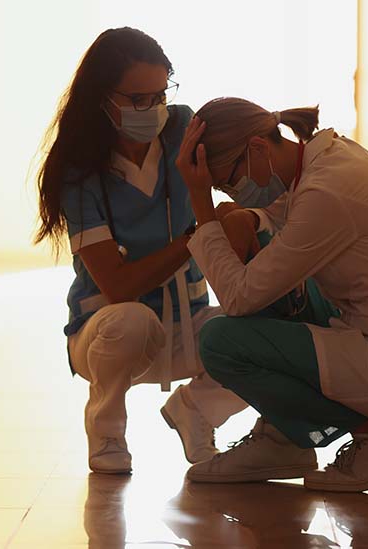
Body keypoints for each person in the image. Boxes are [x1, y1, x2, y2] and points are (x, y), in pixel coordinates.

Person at [174, 97, 368, 492]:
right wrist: (243, 217)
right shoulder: (329, 160)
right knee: (269, 267)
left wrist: (201, 204)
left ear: (258, 149)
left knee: (220, 340)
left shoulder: (327, 191)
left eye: (227, 181)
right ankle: (284, 440)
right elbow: (282, 217)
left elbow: (239, 297)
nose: (231, 192)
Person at [33, 29, 248, 474]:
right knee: (129, 319)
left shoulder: (183, 130)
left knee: (268, 333)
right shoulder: (78, 172)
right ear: (101, 97)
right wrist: (198, 236)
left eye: (159, 95)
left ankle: (197, 411)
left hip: (188, 326)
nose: (150, 111)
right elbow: (118, 285)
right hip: (108, 335)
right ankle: (107, 432)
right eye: (135, 99)